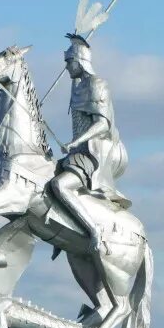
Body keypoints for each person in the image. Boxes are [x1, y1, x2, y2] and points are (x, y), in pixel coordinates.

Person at [50, 33, 130, 255]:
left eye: (69, 62)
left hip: (93, 153)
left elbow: (103, 125)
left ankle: (94, 231)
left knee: (60, 186)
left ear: (79, 61)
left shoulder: (97, 85)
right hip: (77, 153)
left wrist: (77, 141)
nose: (66, 68)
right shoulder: (77, 87)